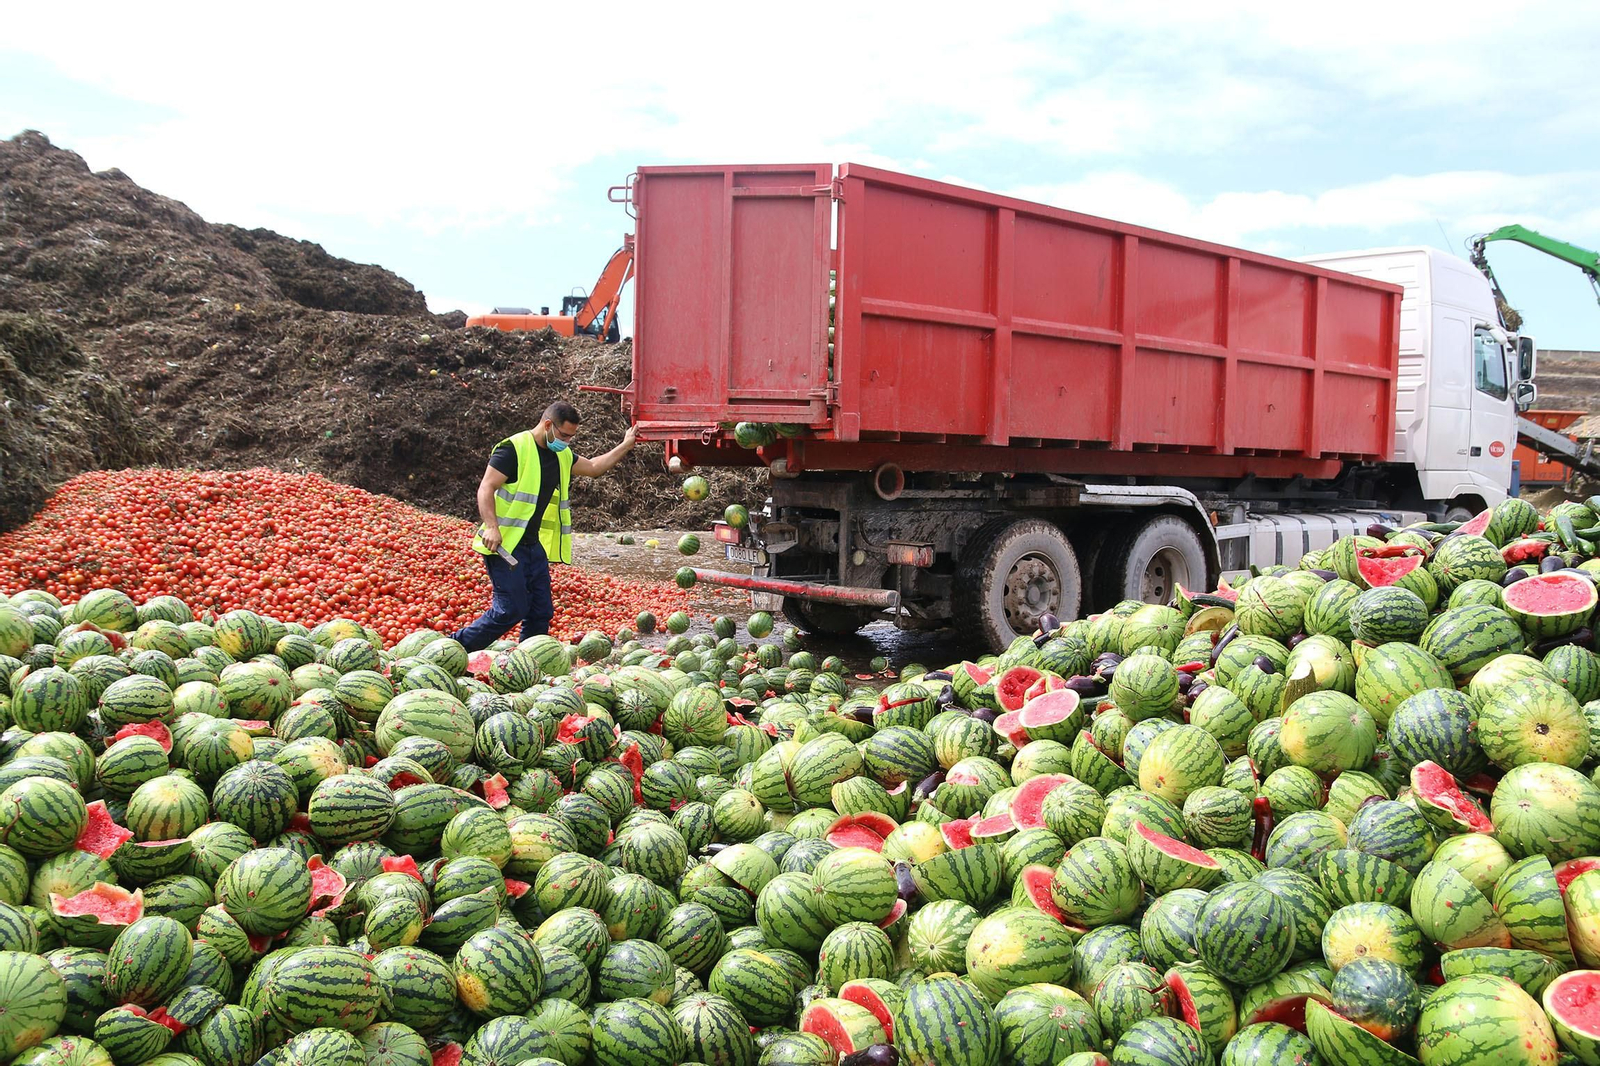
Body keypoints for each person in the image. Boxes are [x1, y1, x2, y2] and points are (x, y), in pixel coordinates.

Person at [450, 400, 637, 651]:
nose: (567, 442)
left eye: (571, 437)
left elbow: (593, 468)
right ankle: (454, 648)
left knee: (541, 611)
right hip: (505, 545)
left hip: (532, 545)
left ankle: (529, 659)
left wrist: (626, 444)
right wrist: (491, 527)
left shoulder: (561, 454)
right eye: (564, 435)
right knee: (511, 610)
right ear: (548, 424)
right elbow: (486, 487)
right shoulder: (513, 449)